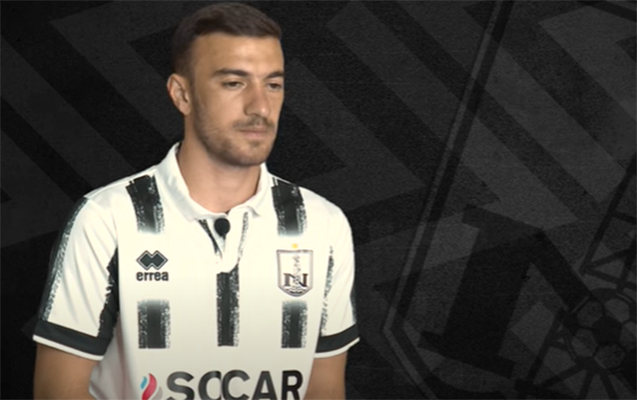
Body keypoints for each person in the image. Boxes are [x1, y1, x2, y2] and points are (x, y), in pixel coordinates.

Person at [31, 3, 358, 399]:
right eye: (234, 83)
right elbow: (57, 391)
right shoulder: (107, 218)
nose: (260, 106)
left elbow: (324, 389)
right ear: (182, 94)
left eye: (273, 84)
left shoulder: (323, 223)